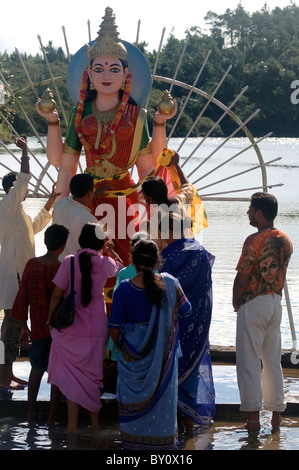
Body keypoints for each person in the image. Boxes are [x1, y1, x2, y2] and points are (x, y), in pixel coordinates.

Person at [35, 6, 177, 272]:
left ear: (126, 75)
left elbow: (147, 167)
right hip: (87, 200)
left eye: (114, 69)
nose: (107, 76)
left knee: (129, 258)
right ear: (88, 74)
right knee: (85, 261)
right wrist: (53, 122)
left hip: (126, 199)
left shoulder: (136, 115)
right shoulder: (81, 113)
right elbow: (64, 164)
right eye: (99, 69)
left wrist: (157, 207)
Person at [109, 239, 191, 451]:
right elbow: (186, 310)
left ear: (133, 261)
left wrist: (123, 351)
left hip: (131, 360)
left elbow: (115, 328)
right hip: (164, 358)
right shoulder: (171, 283)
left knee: (132, 412)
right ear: (157, 261)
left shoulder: (124, 289)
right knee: (163, 405)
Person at [47, 222, 123, 433]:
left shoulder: (69, 262)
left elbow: (56, 295)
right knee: (93, 376)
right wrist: (110, 251)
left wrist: (50, 320)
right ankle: (95, 425)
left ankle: (72, 427)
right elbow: (123, 268)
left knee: (73, 379)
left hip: (71, 330)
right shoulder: (106, 263)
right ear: (100, 242)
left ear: (80, 240)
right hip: (96, 329)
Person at [0, 137, 59, 389]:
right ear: (14, 189)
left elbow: (34, 227)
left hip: (18, 274)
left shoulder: (16, 211)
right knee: (10, 328)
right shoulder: (9, 204)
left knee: (12, 327)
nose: (26, 189)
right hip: (13, 274)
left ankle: (7, 374)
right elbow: (24, 176)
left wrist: (51, 201)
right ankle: (3, 377)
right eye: (21, 187)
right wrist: (24, 150)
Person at [233, 192, 293, 433]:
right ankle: (276, 416)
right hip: (274, 302)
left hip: (254, 302)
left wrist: (236, 301)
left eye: (250, 209)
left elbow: (242, 277)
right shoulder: (285, 240)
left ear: (259, 213)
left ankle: (253, 420)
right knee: (272, 361)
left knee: (248, 361)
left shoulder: (254, 240)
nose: (248, 213)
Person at [159, 213, 215, 428]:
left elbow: (162, 290)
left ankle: (170, 421)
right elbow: (206, 289)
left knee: (173, 365)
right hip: (198, 319)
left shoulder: (167, 255)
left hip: (173, 322)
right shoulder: (200, 251)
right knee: (192, 366)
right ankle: (190, 423)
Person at [10, 224, 69, 421]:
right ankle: (52, 417)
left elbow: (22, 296)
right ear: (62, 246)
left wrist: (23, 326)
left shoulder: (31, 264)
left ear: (45, 242)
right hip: (59, 330)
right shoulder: (63, 269)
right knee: (57, 374)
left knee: (36, 368)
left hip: (37, 328)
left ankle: (30, 411)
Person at [52, 173, 99, 260]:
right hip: (79, 267)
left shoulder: (59, 204)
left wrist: (94, 194)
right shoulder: (89, 220)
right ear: (89, 193)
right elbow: (94, 253)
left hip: (60, 265)